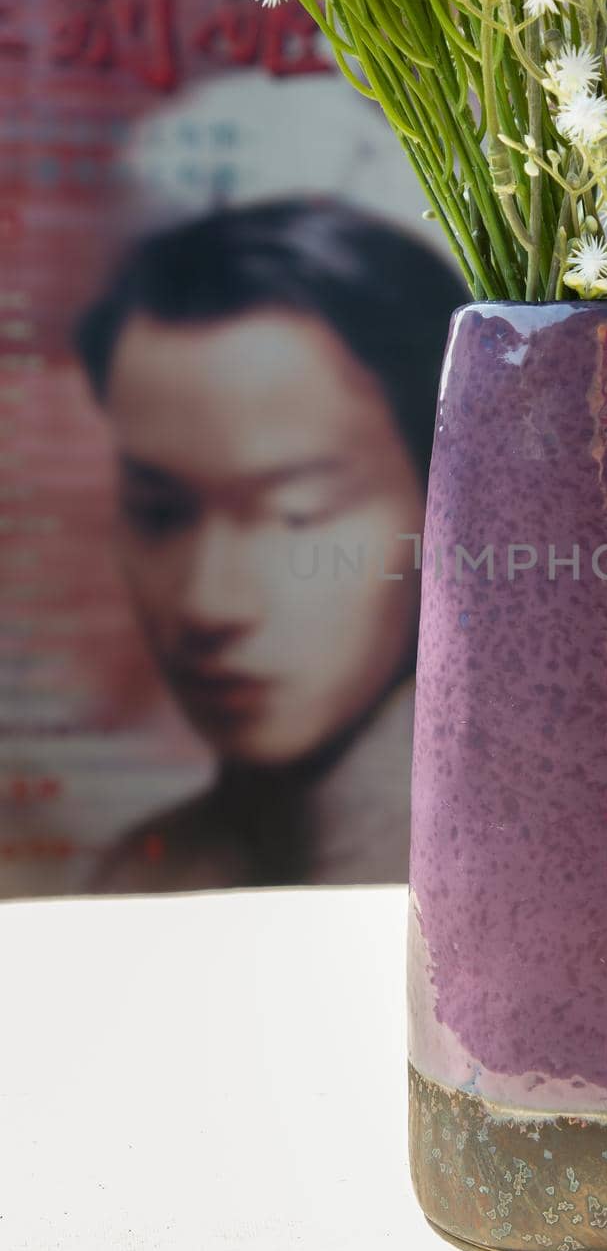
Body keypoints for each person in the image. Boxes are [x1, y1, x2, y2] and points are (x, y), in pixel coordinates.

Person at [75, 198, 465, 892]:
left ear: (450, 503)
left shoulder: (514, 874)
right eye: (159, 513)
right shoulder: (141, 877)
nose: (209, 604)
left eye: (297, 513)